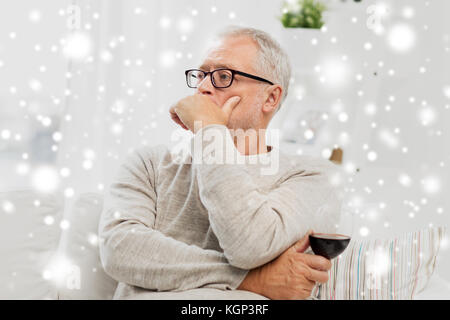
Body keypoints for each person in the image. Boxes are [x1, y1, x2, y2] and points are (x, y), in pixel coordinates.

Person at [98, 26, 341, 300]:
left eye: (223, 76)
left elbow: (249, 245)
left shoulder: (310, 175)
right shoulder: (148, 163)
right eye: (201, 75)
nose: (202, 88)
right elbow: (119, 249)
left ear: (270, 98)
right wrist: (250, 279)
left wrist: (211, 132)